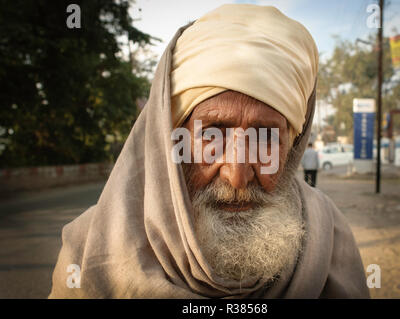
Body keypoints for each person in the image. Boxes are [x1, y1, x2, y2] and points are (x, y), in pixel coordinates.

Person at [49, 4, 369, 298]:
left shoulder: (328, 237)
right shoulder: (90, 247)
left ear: (294, 146)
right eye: (212, 135)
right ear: (172, 138)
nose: (238, 175)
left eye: (265, 137)